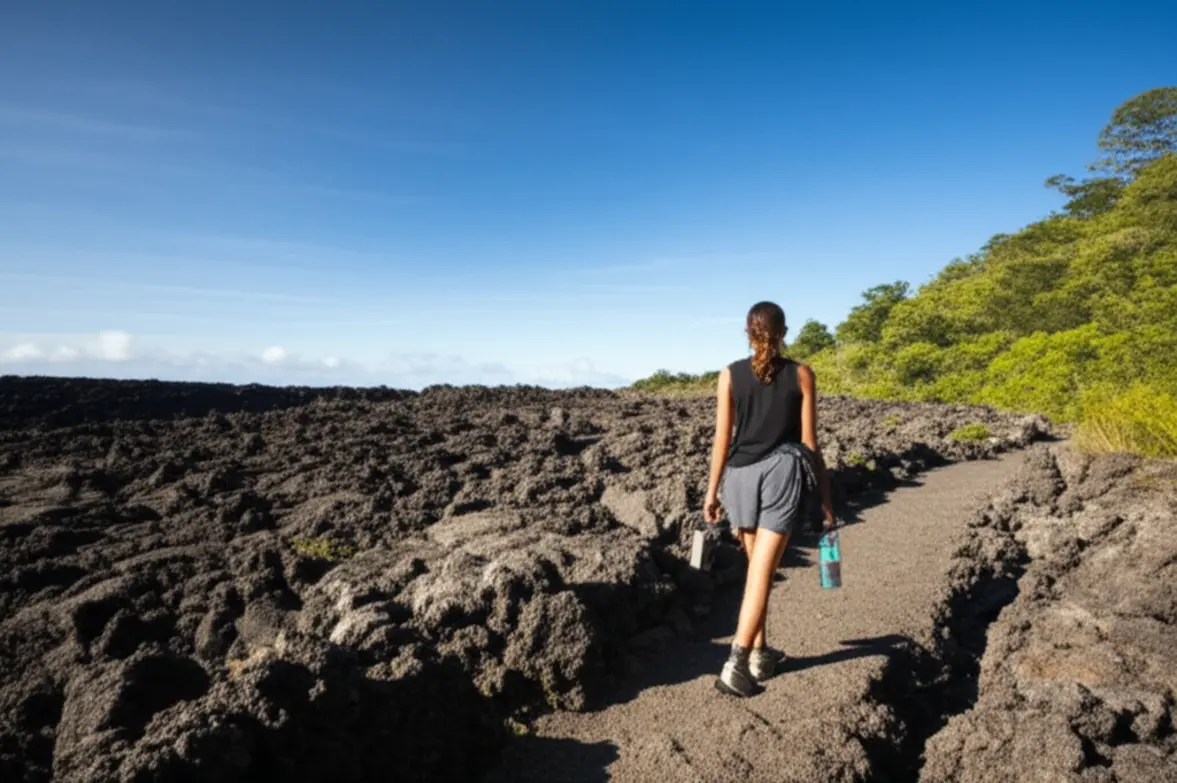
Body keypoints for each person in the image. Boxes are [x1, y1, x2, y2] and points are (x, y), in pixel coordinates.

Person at [704, 301, 836, 697]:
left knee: (755, 571)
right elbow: (810, 445)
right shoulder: (802, 374)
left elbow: (721, 440)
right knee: (762, 573)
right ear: (783, 332)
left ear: (747, 331)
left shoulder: (729, 375)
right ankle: (736, 664)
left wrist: (711, 492)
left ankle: (760, 653)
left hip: (738, 479)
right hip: (779, 476)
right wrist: (826, 500)